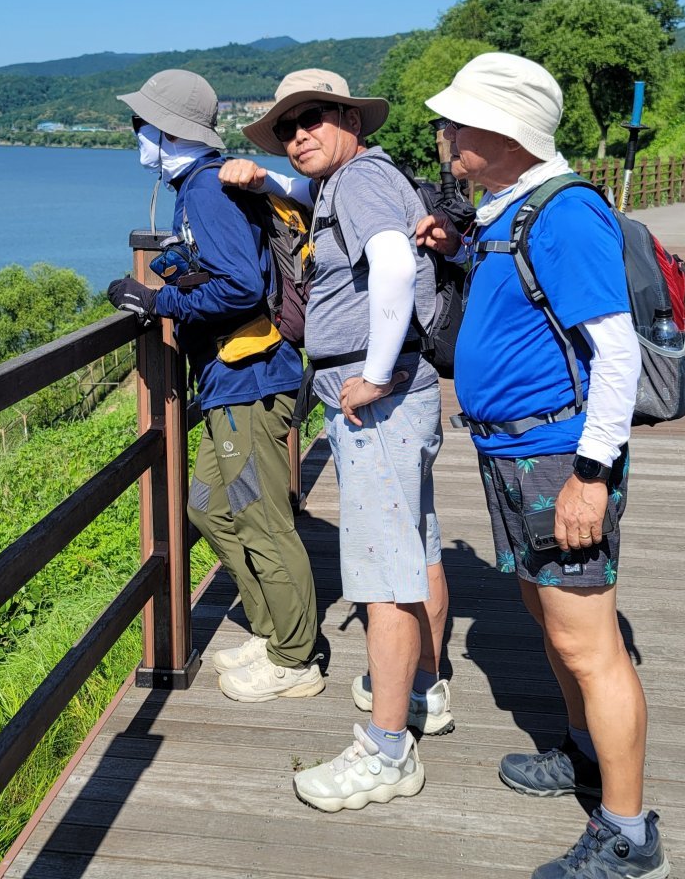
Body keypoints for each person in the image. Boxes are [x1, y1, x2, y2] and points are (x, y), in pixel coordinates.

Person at [418, 52, 667, 879]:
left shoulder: (564, 213)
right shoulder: (508, 207)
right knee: (547, 613)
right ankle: (584, 753)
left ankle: (628, 834)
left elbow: (616, 352)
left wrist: (590, 477)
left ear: (505, 133)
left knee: (590, 642)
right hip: (514, 450)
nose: (445, 132)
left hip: (557, 456)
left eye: (458, 121)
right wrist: (457, 246)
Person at [225, 68, 451, 813]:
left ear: (352, 119)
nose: (299, 135)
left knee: (384, 576)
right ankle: (426, 690)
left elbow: (388, 262)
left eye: (315, 117)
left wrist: (376, 375)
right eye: (288, 127)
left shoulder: (358, 183)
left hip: (374, 397)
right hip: (397, 392)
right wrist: (269, 187)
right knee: (415, 550)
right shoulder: (352, 183)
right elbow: (324, 214)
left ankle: (387, 751)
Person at [106, 68, 323, 703]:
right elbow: (232, 264)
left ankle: (295, 657)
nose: (136, 137)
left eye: (140, 125)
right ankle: (271, 625)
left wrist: (157, 300)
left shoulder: (204, 190)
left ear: (168, 131)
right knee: (207, 504)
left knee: (259, 516)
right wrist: (178, 266)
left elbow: (242, 287)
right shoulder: (202, 187)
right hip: (232, 383)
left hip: (248, 379)